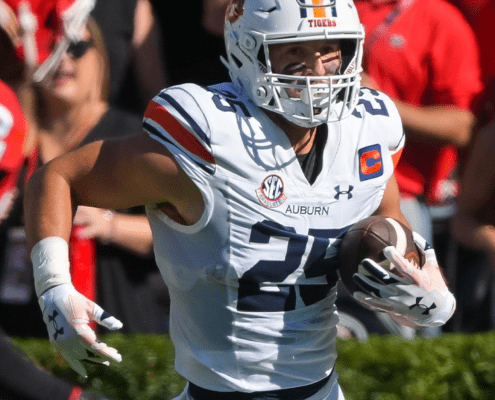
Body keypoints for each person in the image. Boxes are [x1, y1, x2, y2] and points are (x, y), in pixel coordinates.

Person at [24, 0, 456, 398]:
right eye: (295, 56)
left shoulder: (368, 131)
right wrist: (54, 287)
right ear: (249, 54)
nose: (319, 73)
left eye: (330, 52)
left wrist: (416, 284)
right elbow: (59, 178)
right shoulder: (209, 138)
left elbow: (385, 223)